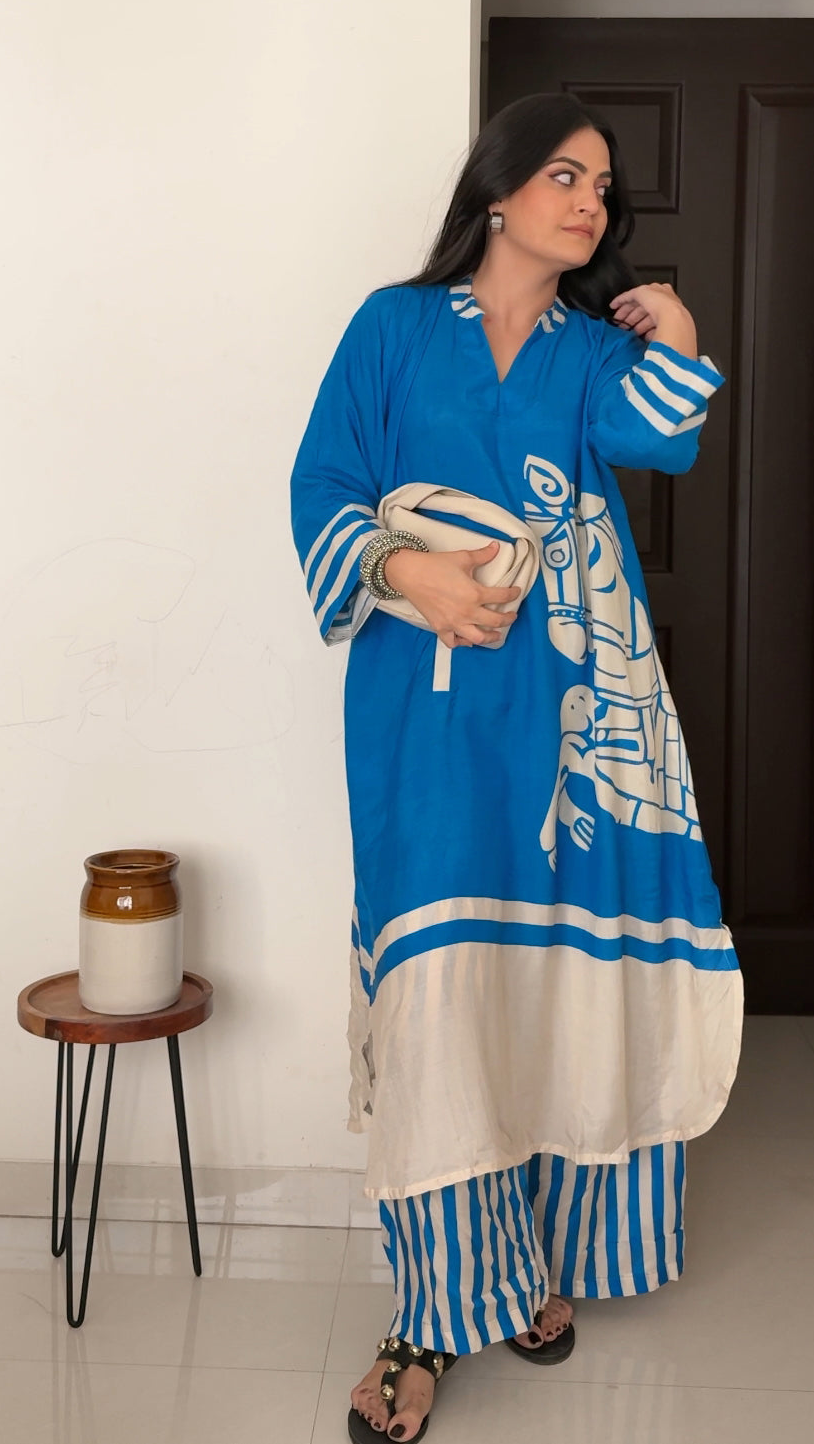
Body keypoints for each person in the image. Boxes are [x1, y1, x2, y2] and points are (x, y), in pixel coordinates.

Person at [291, 93, 743, 1443]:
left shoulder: (585, 354)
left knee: (548, 981)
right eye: (564, 175)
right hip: (423, 717)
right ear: (496, 190)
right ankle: (429, 1312)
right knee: (440, 991)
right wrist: (410, 571)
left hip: (564, 717)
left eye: (602, 187)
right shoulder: (391, 328)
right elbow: (322, 482)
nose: (590, 202)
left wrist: (679, 331)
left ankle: (528, 1266)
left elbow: (664, 437)